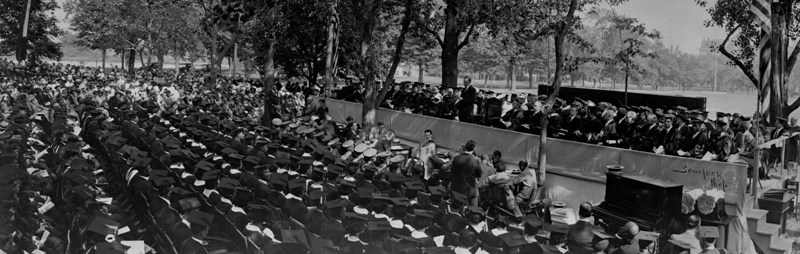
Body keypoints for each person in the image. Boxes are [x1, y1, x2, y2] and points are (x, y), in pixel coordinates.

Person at [451, 140, 482, 206]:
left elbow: (452, 171)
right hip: (467, 191)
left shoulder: (456, 158)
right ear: (474, 149)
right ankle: (474, 210)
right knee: (476, 192)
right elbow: (479, 175)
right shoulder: (475, 160)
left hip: (455, 188)